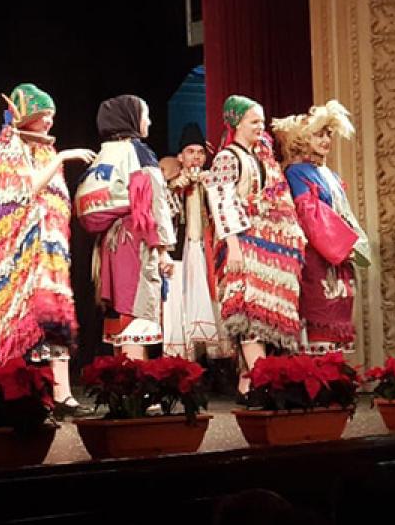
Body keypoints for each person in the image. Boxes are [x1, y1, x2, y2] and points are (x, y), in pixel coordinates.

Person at [0, 84, 95, 413]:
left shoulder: (44, 152)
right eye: (44, 115)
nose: (49, 122)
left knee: (56, 316)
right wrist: (62, 156)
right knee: (23, 318)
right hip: (20, 254)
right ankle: (21, 395)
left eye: (52, 116)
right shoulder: (5, 151)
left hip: (50, 249)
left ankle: (62, 394)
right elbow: (25, 189)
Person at [204, 95, 306, 392]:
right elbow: (222, 204)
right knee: (248, 313)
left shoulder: (262, 158)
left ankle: (249, 385)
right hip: (243, 243)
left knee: (265, 314)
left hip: (265, 247)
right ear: (236, 123)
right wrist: (233, 246)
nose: (260, 127)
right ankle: (261, 382)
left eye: (262, 121)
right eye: (254, 121)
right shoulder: (227, 158)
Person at [74, 95, 174, 359]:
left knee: (118, 312)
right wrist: (163, 249)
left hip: (109, 243)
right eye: (145, 115)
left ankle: (121, 375)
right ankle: (135, 377)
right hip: (135, 239)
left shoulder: (103, 154)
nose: (149, 122)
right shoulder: (137, 152)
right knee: (136, 310)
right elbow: (152, 201)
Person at [272, 100, 370, 354]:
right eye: (318, 134)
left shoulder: (331, 175)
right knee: (319, 323)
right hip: (317, 256)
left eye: (328, 134)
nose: (325, 140)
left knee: (339, 322)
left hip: (338, 257)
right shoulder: (297, 172)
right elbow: (311, 216)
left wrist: (354, 245)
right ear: (304, 138)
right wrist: (343, 246)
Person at [160, 123, 226, 360]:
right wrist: (177, 186)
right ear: (180, 156)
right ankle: (182, 360)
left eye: (200, 152)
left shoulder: (213, 182)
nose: (196, 157)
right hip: (180, 252)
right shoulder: (170, 184)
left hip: (206, 250)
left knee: (209, 298)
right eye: (190, 152)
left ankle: (214, 361)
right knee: (180, 301)